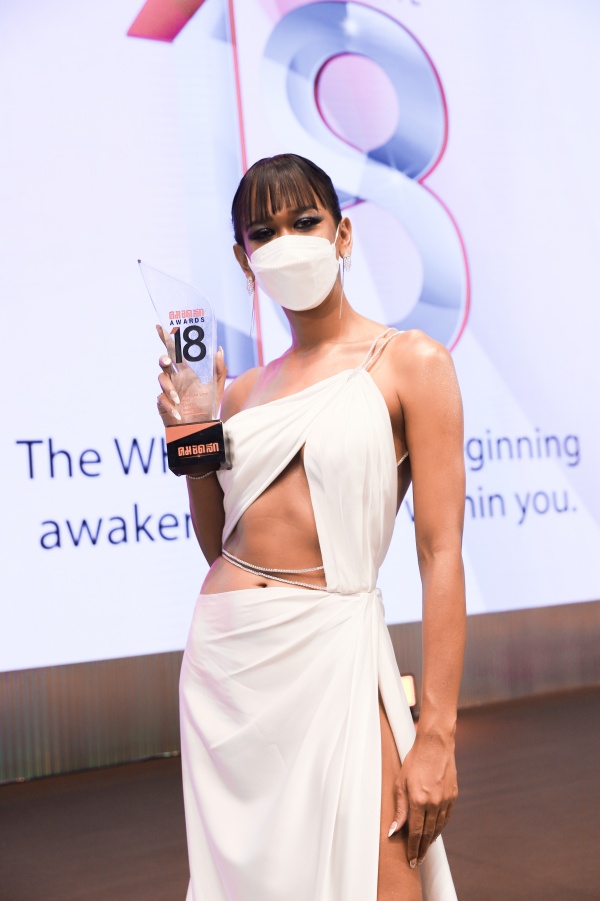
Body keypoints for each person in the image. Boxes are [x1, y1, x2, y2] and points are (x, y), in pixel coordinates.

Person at [156, 154, 466, 901]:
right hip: (229, 668)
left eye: (304, 221)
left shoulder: (410, 362)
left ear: (342, 234)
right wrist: (192, 438)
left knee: (389, 869)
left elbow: (441, 552)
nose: (286, 243)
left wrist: (437, 733)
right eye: (263, 233)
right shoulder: (239, 392)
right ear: (244, 259)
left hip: (336, 649)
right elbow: (219, 544)